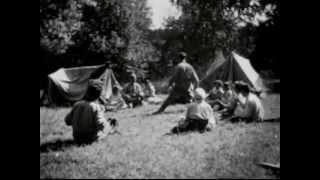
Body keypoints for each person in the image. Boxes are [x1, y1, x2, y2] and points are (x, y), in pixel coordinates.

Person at [64, 80, 115, 145]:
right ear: (98, 95)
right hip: (90, 139)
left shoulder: (77, 104)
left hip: (77, 138)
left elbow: (67, 121)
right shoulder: (95, 107)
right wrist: (109, 126)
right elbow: (101, 125)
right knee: (110, 125)